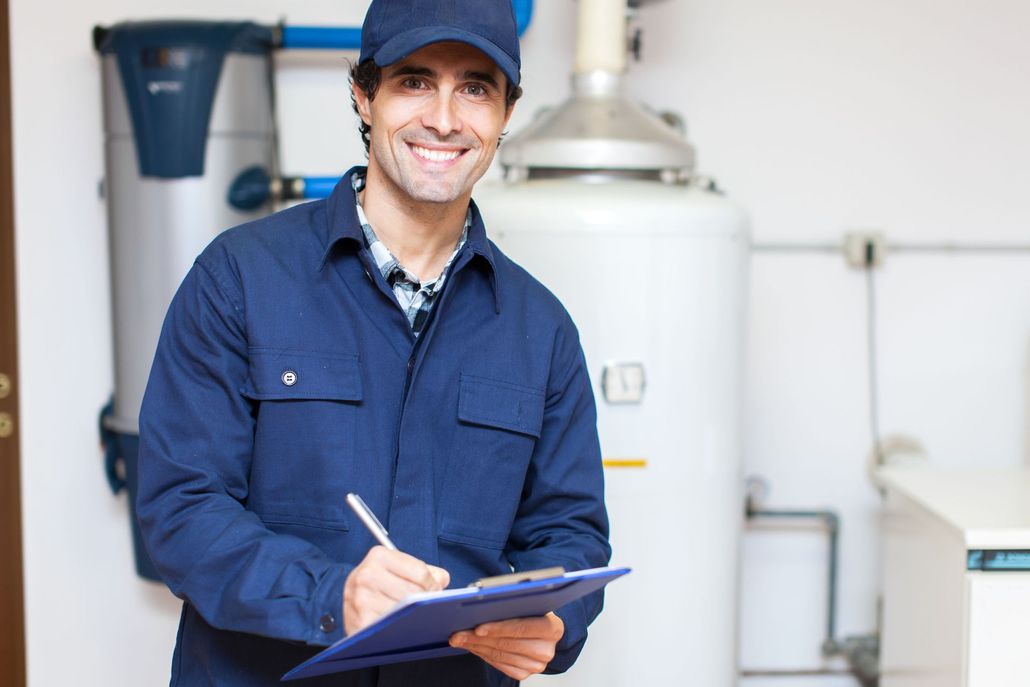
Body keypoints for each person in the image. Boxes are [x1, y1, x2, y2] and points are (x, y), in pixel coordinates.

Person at [136, 1, 611, 685]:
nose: (445, 118)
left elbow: (570, 532)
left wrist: (558, 621)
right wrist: (330, 595)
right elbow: (181, 507)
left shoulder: (541, 330)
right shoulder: (240, 279)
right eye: (415, 81)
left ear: (506, 114)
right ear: (364, 95)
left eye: (475, 87)